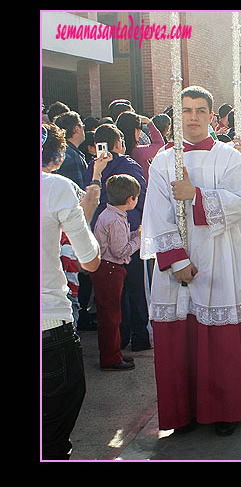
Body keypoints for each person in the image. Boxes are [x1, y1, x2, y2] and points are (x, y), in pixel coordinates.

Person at [141, 85, 241, 436]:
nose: (193, 117)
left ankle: (224, 411)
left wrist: (195, 195)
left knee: (219, 340)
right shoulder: (165, 161)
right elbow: (155, 214)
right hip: (177, 265)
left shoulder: (228, 157)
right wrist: (175, 259)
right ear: (176, 117)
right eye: (186, 110)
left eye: (200, 110)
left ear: (211, 116)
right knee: (180, 340)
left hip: (220, 256)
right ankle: (182, 412)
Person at [42, 123, 101, 459]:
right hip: (49, 327)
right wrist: (86, 210)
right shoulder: (57, 188)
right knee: (52, 441)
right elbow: (90, 261)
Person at [85, 124, 151, 353]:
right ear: (117, 142)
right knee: (135, 287)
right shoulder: (129, 165)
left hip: (101, 234)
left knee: (113, 293)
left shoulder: (93, 167)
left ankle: (120, 337)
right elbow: (141, 194)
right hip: (129, 228)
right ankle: (140, 335)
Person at [90, 174, 142, 371]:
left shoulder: (110, 214)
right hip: (110, 270)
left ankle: (113, 354)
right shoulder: (115, 219)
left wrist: (133, 235)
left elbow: (117, 242)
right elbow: (120, 250)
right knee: (111, 317)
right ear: (130, 199)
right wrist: (138, 239)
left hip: (106, 269)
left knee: (110, 315)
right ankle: (110, 358)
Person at [116, 111, 166, 184]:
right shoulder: (138, 152)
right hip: (142, 189)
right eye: (140, 127)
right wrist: (150, 123)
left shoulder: (115, 151)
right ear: (135, 130)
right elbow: (160, 145)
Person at [53, 111, 88, 189]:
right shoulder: (71, 156)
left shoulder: (59, 151)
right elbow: (77, 190)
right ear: (76, 129)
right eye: (83, 127)